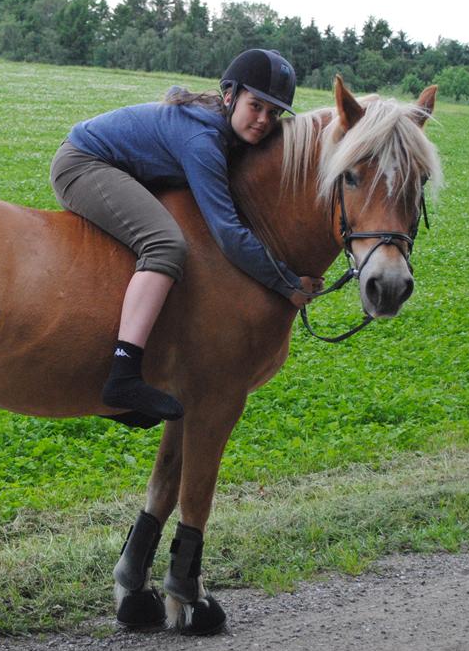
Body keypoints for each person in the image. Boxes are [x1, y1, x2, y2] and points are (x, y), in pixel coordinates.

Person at [51, 49, 321, 424]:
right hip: (83, 163)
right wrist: (283, 282)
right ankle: (124, 377)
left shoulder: (222, 128)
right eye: (256, 105)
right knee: (165, 243)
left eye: (273, 113)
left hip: (119, 166)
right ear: (230, 96)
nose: (263, 120)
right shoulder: (203, 140)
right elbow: (226, 230)